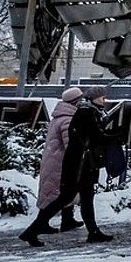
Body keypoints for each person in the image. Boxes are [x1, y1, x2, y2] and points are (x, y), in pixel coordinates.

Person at [18, 86, 116, 246]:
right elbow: (80, 140)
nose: (104, 100)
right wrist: (114, 136)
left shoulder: (75, 114)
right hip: (78, 165)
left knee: (85, 198)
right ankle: (31, 231)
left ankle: (93, 232)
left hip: (79, 163)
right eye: (101, 97)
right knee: (65, 198)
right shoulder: (81, 114)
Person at [34, 87, 85, 233]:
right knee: (53, 194)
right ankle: (41, 224)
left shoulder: (60, 117)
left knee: (62, 191)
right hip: (60, 163)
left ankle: (67, 220)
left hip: (54, 160)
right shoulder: (68, 120)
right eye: (80, 100)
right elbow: (71, 144)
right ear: (75, 102)